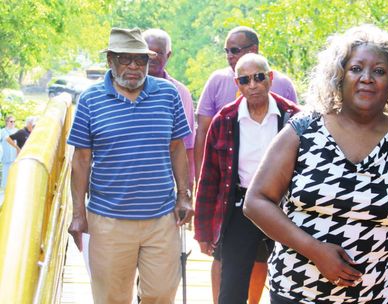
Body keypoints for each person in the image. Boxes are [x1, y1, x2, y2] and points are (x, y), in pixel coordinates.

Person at [244, 24, 388, 304]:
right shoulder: (304, 131)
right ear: (339, 76)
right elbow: (256, 201)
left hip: (372, 297)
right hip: (296, 293)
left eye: (379, 71)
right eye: (356, 69)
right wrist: (314, 250)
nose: (367, 78)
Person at [67, 27, 193, 304]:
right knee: (112, 297)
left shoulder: (167, 94)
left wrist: (184, 195)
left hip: (161, 216)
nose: (134, 67)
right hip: (108, 220)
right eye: (126, 59)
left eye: (142, 60)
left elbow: (177, 148)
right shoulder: (90, 100)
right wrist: (78, 213)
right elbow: (81, 159)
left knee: (161, 294)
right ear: (110, 60)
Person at [194, 26, 298, 304]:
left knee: (288, 284)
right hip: (242, 206)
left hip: (284, 208)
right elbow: (210, 178)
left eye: (259, 78)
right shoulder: (225, 119)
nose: (253, 85)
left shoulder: (294, 118)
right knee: (231, 288)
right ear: (237, 83)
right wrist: (203, 231)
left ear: (270, 79)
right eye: (245, 80)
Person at [143, 29, 196, 189]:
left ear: (168, 55)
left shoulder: (180, 93)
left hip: (165, 185)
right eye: (148, 52)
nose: (152, 57)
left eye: (158, 52)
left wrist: (186, 190)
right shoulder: (125, 89)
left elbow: (187, 146)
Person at [0, 115, 17, 189]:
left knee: (14, 175)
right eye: (11, 121)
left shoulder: (17, 131)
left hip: (15, 157)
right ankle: (4, 192)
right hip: (6, 157)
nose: (13, 123)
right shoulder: (2, 131)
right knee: (6, 175)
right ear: (7, 122)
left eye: (14, 121)